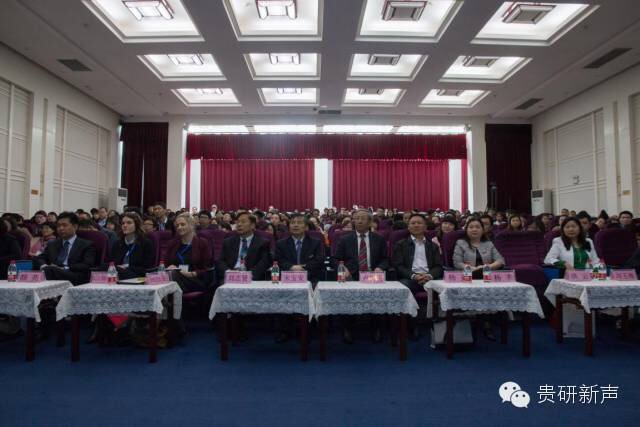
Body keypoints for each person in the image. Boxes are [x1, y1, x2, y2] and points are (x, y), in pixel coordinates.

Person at [332, 209, 389, 344]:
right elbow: (336, 259)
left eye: (363, 218)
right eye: (356, 218)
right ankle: (347, 328)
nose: (359, 221)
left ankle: (376, 328)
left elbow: (385, 259)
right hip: (351, 275)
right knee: (345, 293)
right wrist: (342, 268)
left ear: (370, 222)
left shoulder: (379, 239)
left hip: (372, 274)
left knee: (378, 295)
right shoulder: (345, 239)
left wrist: (380, 268)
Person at [392, 213, 443, 340]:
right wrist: (414, 276)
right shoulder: (400, 244)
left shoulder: (433, 246)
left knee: (446, 288)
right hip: (410, 279)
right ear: (408, 227)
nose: (416, 225)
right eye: (413, 223)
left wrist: (429, 275)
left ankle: (441, 325)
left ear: (425, 226)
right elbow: (398, 266)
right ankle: (411, 325)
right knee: (404, 288)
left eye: (419, 223)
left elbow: (438, 266)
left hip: (430, 278)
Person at [273, 214, 324, 343]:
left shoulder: (316, 243)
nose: (295, 225)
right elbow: (278, 260)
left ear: (306, 227)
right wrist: (291, 267)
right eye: (293, 222)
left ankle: (308, 329)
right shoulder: (281, 243)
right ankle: (284, 330)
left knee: (313, 290)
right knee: (280, 292)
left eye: (299, 222)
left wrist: (302, 269)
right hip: (287, 277)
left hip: (309, 277)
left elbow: (319, 261)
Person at [453, 217, 505, 340]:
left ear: (483, 230)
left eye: (477, 227)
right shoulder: (460, 243)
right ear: (466, 229)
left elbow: (500, 260)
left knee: (490, 291)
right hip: (467, 276)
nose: (474, 229)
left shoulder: (489, 244)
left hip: (486, 276)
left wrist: (488, 266)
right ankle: (469, 321)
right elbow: (457, 262)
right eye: (471, 227)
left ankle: (487, 323)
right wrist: (470, 268)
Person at [34, 212, 96, 286]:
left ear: (75, 226)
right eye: (58, 226)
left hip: (74, 276)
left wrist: (65, 268)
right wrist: (44, 266)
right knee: (38, 267)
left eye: (64, 225)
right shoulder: (52, 244)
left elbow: (87, 264)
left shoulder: (86, 245)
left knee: (49, 271)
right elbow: (40, 258)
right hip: (52, 272)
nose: (61, 228)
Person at [217, 212, 271, 282]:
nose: (239, 224)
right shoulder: (228, 242)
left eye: (243, 222)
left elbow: (264, 263)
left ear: (252, 226)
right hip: (230, 277)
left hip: (252, 279)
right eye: (238, 222)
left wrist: (247, 276)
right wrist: (229, 272)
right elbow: (220, 261)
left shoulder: (263, 243)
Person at [166, 213, 214, 292]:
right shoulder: (172, 244)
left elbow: (208, 269)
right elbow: (166, 264)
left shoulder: (202, 243)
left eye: (182, 224)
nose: (179, 227)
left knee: (172, 276)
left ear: (191, 225)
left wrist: (192, 273)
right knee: (169, 275)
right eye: (177, 226)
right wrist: (170, 267)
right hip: (176, 277)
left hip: (195, 279)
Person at [106, 213, 155, 280]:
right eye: (123, 223)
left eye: (129, 223)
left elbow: (147, 268)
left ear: (137, 225)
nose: (125, 225)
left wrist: (126, 267)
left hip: (137, 277)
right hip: (117, 275)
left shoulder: (145, 243)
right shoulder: (117, 243)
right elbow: (111, 263)